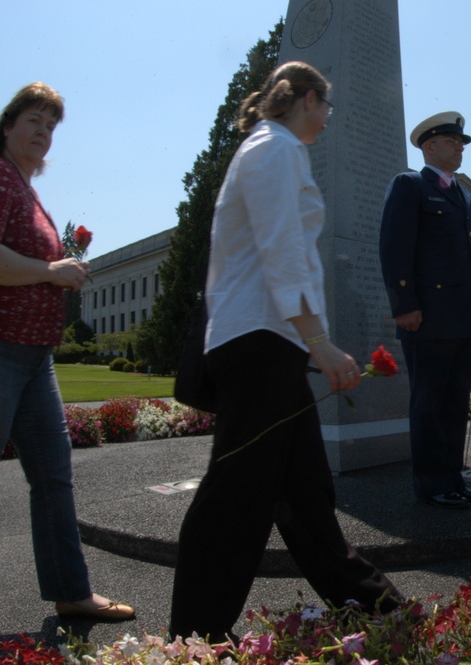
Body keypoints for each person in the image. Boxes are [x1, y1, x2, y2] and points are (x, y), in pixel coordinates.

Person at [170, 63, 400, 639]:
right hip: (257, 343)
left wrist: (311, 341)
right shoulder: (274, 149)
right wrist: (319, 343)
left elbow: (283, 254)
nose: (327, 118)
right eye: (326, 106)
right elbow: (281, 251)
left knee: (306, 493)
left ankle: (380, 608)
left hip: (267, 341)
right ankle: (190, 640)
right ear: (303, 98)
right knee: (237, 495)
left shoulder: (272, 149)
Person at [0, 82, 135, 623]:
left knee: (54, 478)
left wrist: (62, 273)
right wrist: (51, 271)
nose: (42, 133)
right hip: (3, 350)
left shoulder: (27, 191)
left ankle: (71, 591)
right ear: (8, 126)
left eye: (51, 126)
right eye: (33, 120)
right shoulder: (1, 179)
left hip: (35, 359)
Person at [379, 111, 471, 509]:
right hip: (426, 318)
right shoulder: (410, 185)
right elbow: (394, 249)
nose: (460, 147)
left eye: (461, 142)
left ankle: (452, 478)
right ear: (429, 146)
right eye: (452, 141)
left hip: (462, 318)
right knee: (429, 402)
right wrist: (404, 305)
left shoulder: (463, 195)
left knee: (455, 402)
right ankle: (431, 484)